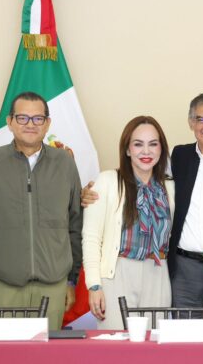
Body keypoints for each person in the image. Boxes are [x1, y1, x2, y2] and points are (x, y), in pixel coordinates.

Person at [83, 91, 203, 330]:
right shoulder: (180, 157)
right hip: (183, 276)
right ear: (191, 123)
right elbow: (138, 177)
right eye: (201, 119)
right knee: (183, 342)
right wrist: (90, 194)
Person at [0, 91, 82, 330]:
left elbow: (75, 225)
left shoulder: (64, 163)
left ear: (47, 123)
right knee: (6, 350)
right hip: (3, 288)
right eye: (22, 118)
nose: (30, 124)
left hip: (53, 287)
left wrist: (71, 280)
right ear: (10, 122)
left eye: (38, 118)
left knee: (48, 351)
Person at [82, 116, 174, 329]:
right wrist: (94, 286)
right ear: (127, 149)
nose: (146, 151)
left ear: (161, 149)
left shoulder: (170, 187)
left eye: (153, 144)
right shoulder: (107, 181)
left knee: (153, 344)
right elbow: (91, 238)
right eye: (138, 144)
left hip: (158, 273)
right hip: (117, 275)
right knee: (116, 344)